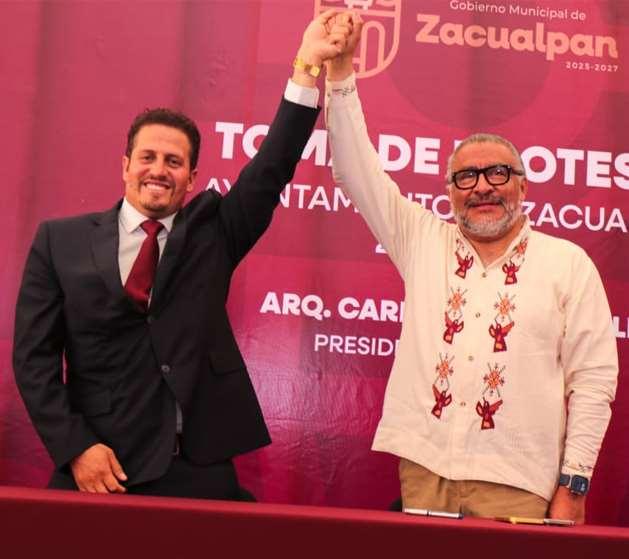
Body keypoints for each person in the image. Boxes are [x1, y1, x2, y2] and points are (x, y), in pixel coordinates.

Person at [13, 10, 352, 499]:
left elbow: (272, 166)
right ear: (125, 166)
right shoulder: (59, 241)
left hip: (195, 469)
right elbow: (34, 359)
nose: (159, 170)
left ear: (192, 178)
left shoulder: (214, 234)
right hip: (99, 467)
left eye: (174, 162)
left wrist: (306, 67)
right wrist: (75, 447)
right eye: (147, 157)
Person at [306, 12, 617, 523]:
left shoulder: (567, 264)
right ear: (449, 192)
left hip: (518, 481)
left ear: (523, 186)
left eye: (498, 173)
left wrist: (575, 485)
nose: (483, 187)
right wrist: (341, 75)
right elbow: (357, 169)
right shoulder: (422, 240)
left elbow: (594, 381)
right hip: (425, 470)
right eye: (466, 177)